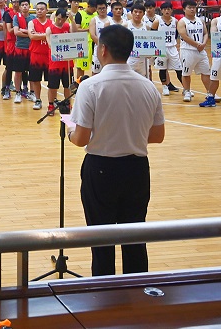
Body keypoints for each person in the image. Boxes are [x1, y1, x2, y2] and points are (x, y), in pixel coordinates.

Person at [69, 24, 165, 277]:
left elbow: (80, 138)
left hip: (101, 169)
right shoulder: (148, 86)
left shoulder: (90, 86)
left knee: (101, 240)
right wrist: (129, 135)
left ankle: (104, 292)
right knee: (135, 238)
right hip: (137, 169)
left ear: (103, 50)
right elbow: (158, 136)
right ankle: (137, 290)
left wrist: (69, 132)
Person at [177, 0, 212, 104]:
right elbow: (184, 36)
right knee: (186, 73)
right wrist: (197, 44)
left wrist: (204, 43)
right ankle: (187, 91)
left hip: (201, 50)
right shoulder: (182, 22)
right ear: (184, 9)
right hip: (188, 50)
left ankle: (210, 93)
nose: (192, 9)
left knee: (206, 72)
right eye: (189, 7)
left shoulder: (200, 20)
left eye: (194, 7)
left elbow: (206, 33)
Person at [152, 2, 182, 96]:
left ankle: (186, 88)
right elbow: (153, 35)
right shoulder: (157, 21)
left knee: (179, 69)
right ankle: (165, 87)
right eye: (164, 9)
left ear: (172, 10)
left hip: (172, 48)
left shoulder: (175, 21)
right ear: (161, 11)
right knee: (162, 68)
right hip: (161, 48)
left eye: (168, 9)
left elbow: (176, 34)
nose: (167, 11)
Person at [26, 2, 51, 110]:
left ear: (46, 10)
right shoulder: (32, 22)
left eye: (42, 9)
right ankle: (38, 99)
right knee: (36, 79)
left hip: (49, 54)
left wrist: (39, 35)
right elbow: (32, 36)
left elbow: (55, 36)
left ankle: (52, 101)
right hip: (36, 54)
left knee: (52, 79)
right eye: (37, 9)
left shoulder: (51, 23)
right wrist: (47, 35)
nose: (39, 11)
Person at [87, 0, 111, 75]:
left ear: (106, 8)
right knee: (95, 72)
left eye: (103, 8)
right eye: (100, 8)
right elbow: (92, 35)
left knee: (109, 72)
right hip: (98, 49)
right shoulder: (94, 20)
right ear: (96, 9)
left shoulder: (111, 19)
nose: (102, 10)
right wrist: (101, 46)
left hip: (110, 49)